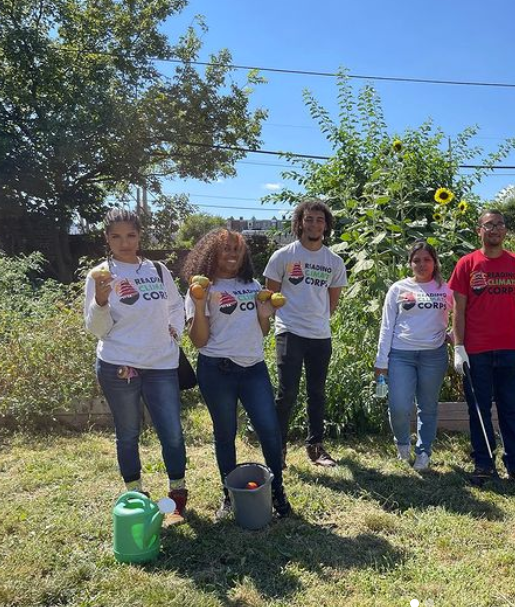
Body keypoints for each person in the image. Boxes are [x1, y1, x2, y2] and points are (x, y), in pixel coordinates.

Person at [84, 208, 188, 519]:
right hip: (119, 365)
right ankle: (136, 495)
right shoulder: (100, 275)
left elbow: (175, 305)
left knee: (171, 432)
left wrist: (176, 332)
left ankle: (177, 495)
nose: (124, 242)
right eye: (116, 236)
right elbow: (95, 329)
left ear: (139, 236)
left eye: (130, 235)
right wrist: (100, 302)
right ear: (107, 238)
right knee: (128, 432)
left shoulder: (157, 270)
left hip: (161, 363)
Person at [183, 228, 291, 520]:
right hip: (217, 369)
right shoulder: (202, 289)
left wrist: (263, 314)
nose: (231, 254)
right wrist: (200, 304)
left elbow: (263, 331)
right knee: (225, 433)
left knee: (270, 431)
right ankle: (229, 496)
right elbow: (199, 341)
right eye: (225, 249)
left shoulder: (252, 284)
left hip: (253, 367)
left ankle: (277, 492)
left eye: (236, 249)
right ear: (212, 253)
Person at [449, 209, 515, 486]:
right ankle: (483, 463)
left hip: (510, 350)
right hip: (476, 351)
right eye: (489, 225)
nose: (495, 229)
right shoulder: (466, 264)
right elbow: (458, 311)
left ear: (505, 230)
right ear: (480, 231)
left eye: (499, 224)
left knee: (512, 408)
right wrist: (458, 347)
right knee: (479, 409)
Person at [264, 200, 348, 467]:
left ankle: (315, 447)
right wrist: (290, 321)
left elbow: (332, 303)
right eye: (309, 219)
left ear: (326, 225)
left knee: (317, 393)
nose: (314, 224)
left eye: (319, 220)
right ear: (299, 222)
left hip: (320, 335)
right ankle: (278, 450)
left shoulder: (333, 261)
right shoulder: (283, 256)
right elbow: (270, 298)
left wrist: (316, 320)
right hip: (289, 332)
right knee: (286, 393)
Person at [375, 241, 453, 471]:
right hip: (401, 355)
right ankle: (402, 444)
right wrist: (381, 361)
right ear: (409, 263)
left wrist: (452, 336)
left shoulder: (445, 289)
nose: (421, 264)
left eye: (427, 259)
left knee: (427, 407)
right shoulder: (398, 289)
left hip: (434, 356)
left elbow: (462, 315)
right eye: (416, 260)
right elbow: (386, 326)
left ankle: (424, 451)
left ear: (435, 262)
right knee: (399, 406)